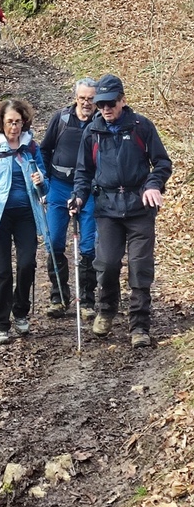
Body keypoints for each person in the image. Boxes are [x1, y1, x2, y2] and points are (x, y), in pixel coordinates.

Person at [72, 74, 172, 349]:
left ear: (122, 101)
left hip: (140, 207)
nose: (106, 109)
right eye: (101, 104)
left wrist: (153, 185)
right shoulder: (93, 132)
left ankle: (139, 325)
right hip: (106, 208)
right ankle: (106, 310)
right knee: (107, 264)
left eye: (111, 103)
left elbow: (162, 163)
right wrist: (78, 197)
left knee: (140, 266)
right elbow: (83, 172)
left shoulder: (141, 127)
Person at [0, 98, 48, 344]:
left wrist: (40, 181)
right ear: (1, 122)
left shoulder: (31, 147)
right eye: (10, 122)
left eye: (18, 122)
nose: (14, 127)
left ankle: (21, 311)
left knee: (27, 264)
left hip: (26, 215)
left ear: (24, 122)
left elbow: (45, 185)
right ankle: (0, 324)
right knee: (1, 270)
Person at [40, 77, 98, 320]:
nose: (86, 103)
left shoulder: (100, 123)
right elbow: (44, 150)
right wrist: (44, 182)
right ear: (75, 97)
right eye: (82, 98)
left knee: (89, 246)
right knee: (53, 242)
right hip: (59, 187)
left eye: (91, 99)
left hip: (90, 190)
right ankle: (59, 298)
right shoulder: (61, 119)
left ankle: (87, 301)